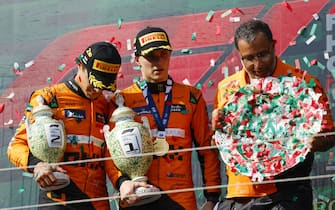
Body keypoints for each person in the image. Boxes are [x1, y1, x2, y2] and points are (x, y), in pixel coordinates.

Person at [212, 19, 335, 210]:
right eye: (249, 58)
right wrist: (217, 132)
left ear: (273, 46)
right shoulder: (226, 88)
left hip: (287, 194)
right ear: (240, 57)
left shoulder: (305, 84)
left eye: (263, 54)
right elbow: (221, 142)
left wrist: (319, 140)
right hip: (239, 195)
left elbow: (329, 136)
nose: (257, 64)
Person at [7, 41, 128, 210]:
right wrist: (38, 165)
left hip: (97, 202)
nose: (97, 89)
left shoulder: (107, 105)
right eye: (93, 81)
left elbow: (112, 156)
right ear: (80, 65)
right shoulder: (48, 97)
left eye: (102, 84)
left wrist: (122, 182)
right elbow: (16, 146)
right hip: (59, 199)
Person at [116, 26, 221, 210]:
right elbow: (111, 154)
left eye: (163, 54)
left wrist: (212, 198)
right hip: (138, 194)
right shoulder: (122, 100)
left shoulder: (191, 96)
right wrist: (122, 182)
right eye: (151, 57)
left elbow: (206, 149)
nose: (159, 62)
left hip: (180, 197)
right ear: (137, 59)